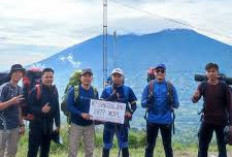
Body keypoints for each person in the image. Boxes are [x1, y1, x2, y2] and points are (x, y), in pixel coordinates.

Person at [192, 63, 231, 157]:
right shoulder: (203, 85)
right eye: (208, 71)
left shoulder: (224, 86)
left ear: (217, 73)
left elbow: (230, 105)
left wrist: (231, 124)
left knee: (222, 147)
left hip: (221, 122)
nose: (211, 73)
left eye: (213, 71)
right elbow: (194, 100)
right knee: (202, 146)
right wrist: (195, 97)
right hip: (207, 121)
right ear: (206, 73)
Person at [141, 64, 179, 157]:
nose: (160, 73)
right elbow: (142, 104)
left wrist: (172, 100)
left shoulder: (170, 87)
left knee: (167, 147)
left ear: (165, 73)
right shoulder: (149, 86)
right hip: (152, 121)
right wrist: (148, 100)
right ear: (154, 73)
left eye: (162, 71)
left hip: (166, 121)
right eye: (158, 71)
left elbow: (176, 105)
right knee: (149, 146)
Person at [101, 68, 137, 157]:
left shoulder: (127, 89)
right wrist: (111, 98)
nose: (116, 78)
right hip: (108, 123)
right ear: (112, 77)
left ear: (122, 77)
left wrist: (130, 112)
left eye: (119, 76)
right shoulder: (106, 90)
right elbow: (101, 105)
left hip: (122, 123)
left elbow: (134, 104)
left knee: (124, 146)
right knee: (106, 146)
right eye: (114, 76)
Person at [27, 68, 60, 157]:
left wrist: (58, 124)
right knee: (32, 151)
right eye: (46, 77)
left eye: (51, 77)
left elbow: (57, 108)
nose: (49, 79)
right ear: (41, 77)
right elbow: (29, 108)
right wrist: (41, 110)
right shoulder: (35, 91)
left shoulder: (54, 90)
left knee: (45, 151)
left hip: (49, 126)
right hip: (36, 126)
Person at [67, 68, 98, 157]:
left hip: (90, 125)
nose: (87, 78)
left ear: (92, 78)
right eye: (85, 76)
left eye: (89, 76)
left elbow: (97, 106)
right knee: (73, 150)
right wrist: (81, 114)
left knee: (89, 151)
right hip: (76, 125)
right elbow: (70, 106)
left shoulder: (94, 91)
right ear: (81, 78)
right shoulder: (74, 90)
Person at [0, 64, 26, 157]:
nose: (18, 74)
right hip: (2, 127)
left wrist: (22, 124)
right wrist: (12, 101)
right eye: (15, 72)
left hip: (15, 127)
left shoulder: (20, 89)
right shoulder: (4, 87)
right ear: (11, 74)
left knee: (11, 153)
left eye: (20, 72)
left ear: (22, 75)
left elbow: (19, 108)